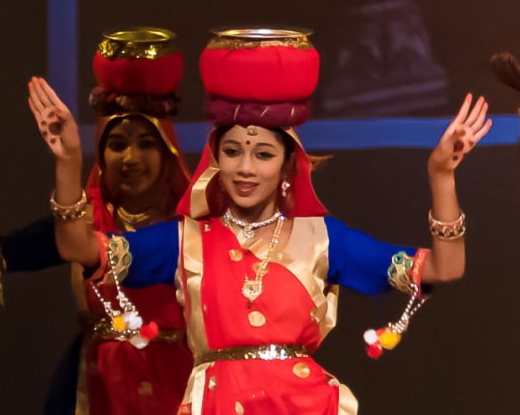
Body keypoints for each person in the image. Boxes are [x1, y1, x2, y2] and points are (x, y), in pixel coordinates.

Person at [36, 27, 492, 414]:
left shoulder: (322, 238)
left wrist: (441, 177)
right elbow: (79, 248)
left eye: (263, 154)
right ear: (215, 157)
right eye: (232, 151)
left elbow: (443, 268)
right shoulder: (186, 239)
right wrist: (68, 160)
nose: (246, 168)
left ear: (288, 163)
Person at [0, 27, 194, 415]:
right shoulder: (80, 227)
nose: (130, 158)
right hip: (95, 390)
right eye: (117, 144)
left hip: (179, 387)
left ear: (168, 152)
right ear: (101, 152)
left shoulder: (193, 229)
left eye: (146, 144)